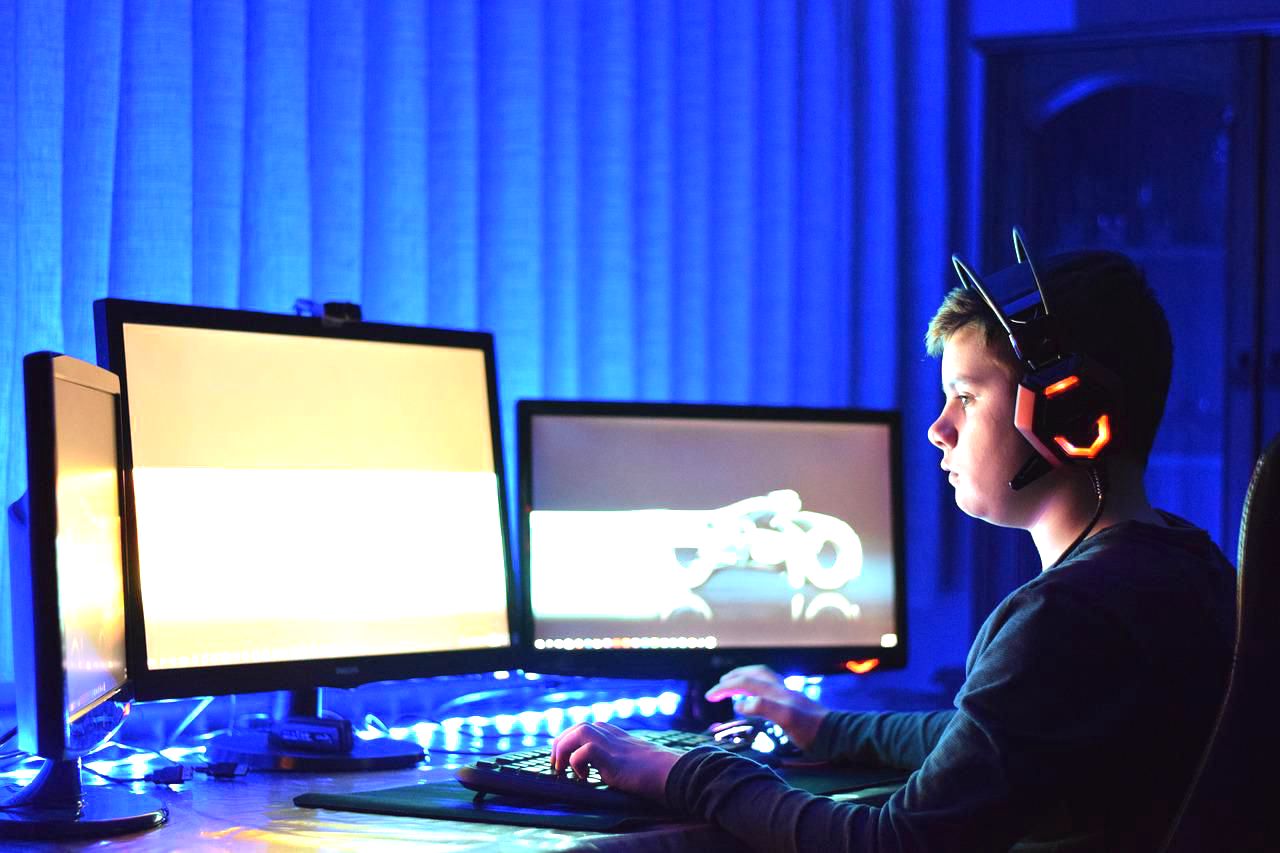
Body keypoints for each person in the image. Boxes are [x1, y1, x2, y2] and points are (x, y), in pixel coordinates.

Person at [549, 248, 1237, 851]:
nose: (939, 428)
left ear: (1068, 414)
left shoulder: (1065, 616)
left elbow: (895, 843)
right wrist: (821, 725)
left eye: (966, 397)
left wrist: (685, 771)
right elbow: (986, 740)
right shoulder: (1188, 564)